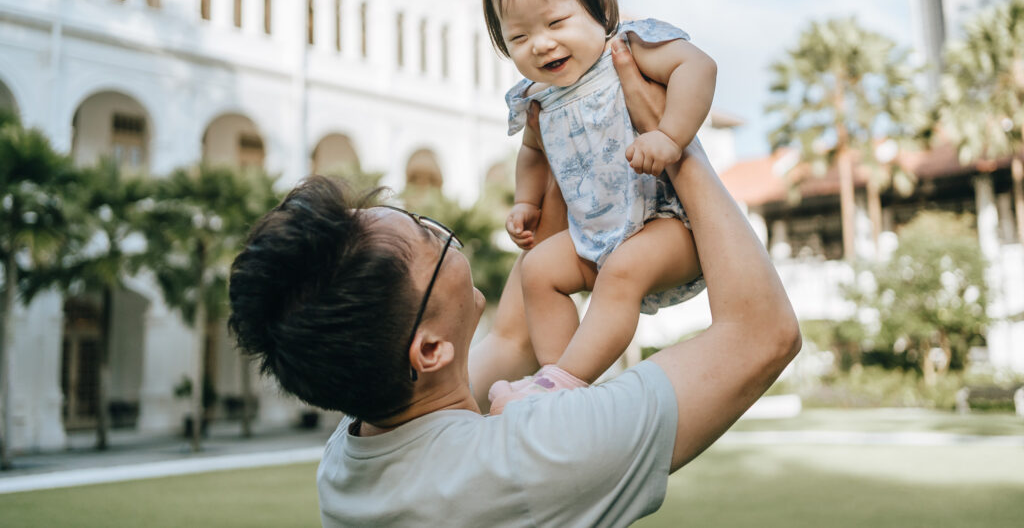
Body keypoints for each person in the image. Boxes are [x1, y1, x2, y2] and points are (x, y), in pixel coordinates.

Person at [227, 43, 801, 527]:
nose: (446, 237)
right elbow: (763, 335)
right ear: (429, 348)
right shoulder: (539, 453)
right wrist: (669, 136)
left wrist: (556, 144)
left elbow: (514, 338)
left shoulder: (348, 462)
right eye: (430, 236)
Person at [482, 0, 716, 412]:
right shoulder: (535, 99)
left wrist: (669, 135)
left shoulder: (627, 50)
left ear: (599, 9)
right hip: (594, 235)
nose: (541, 44)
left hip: (667, 226)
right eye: (519, 35)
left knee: (625, 269)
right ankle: (561, 381)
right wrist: (525, 201)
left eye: (556, 22)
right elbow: (534, 153)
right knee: (538, 270)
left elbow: (698, 66)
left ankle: (565, 378)